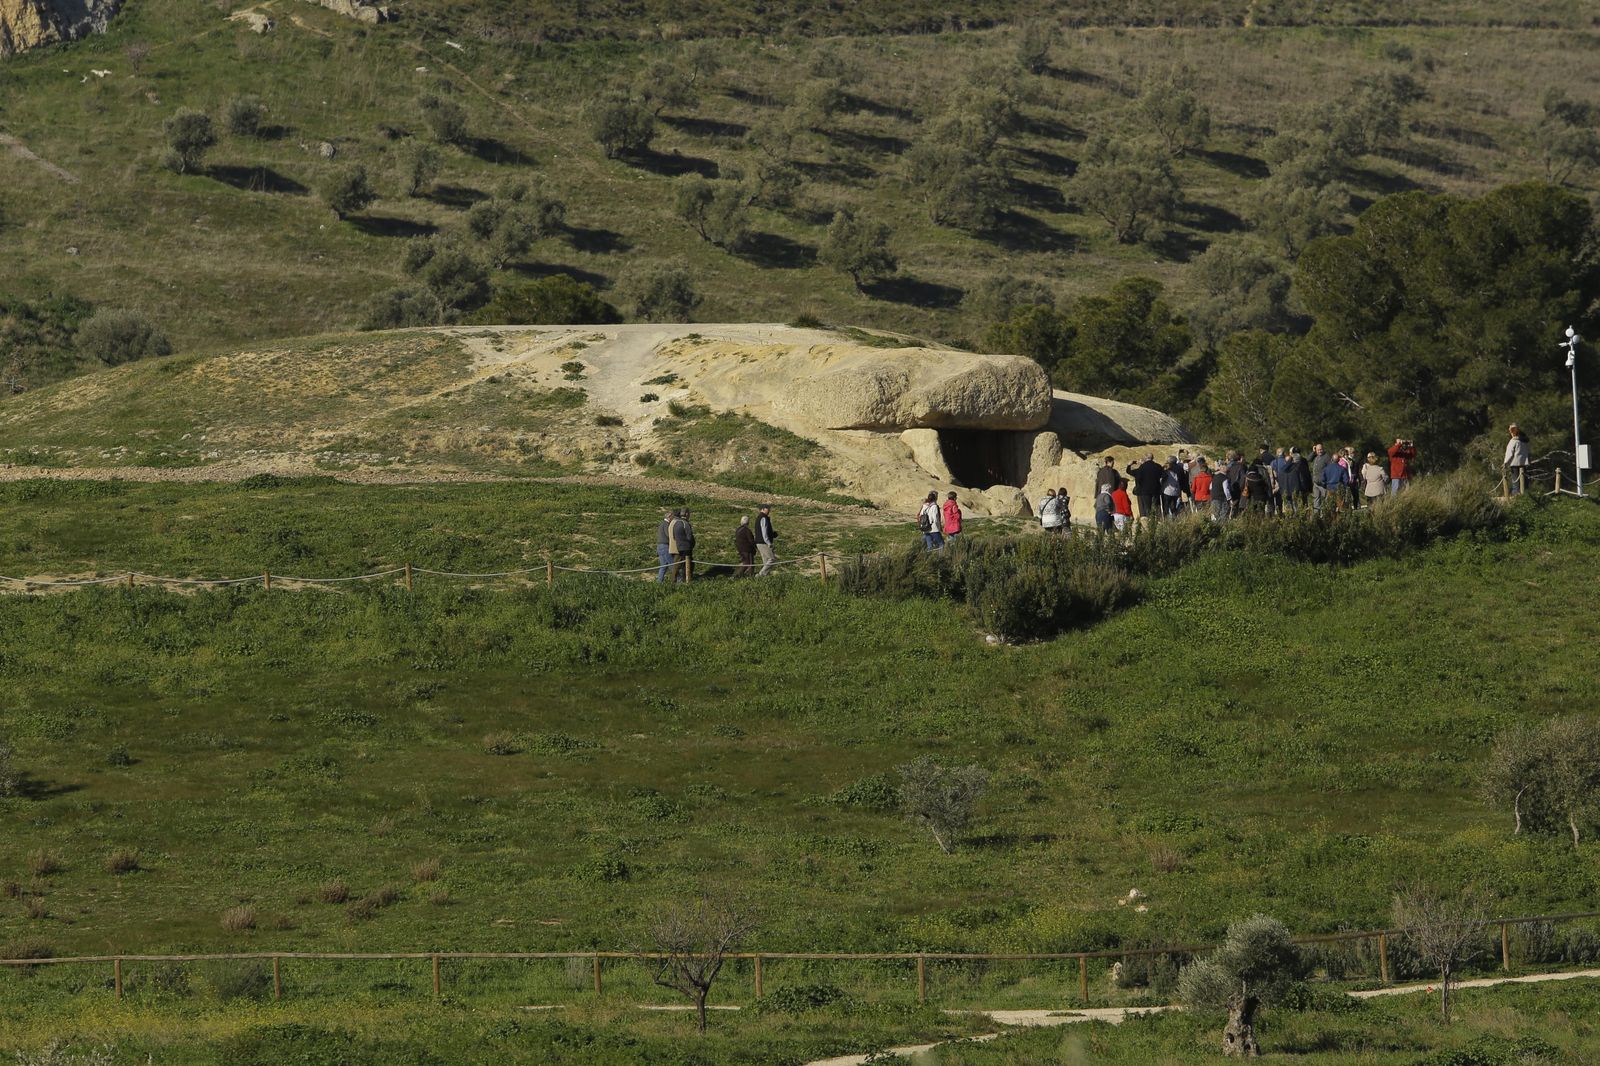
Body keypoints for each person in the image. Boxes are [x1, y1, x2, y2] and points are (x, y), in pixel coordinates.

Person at [1133, 455, 1164, 521]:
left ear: (1146, 458)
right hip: (1156, 489)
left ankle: (1149, 522)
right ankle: (1158, 520)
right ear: (1153, 458)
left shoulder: (1142, 467)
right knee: (1156, 506)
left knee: (1147, 507)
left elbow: (1138, 478)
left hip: (1145, 490)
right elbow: (1164, 475)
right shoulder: (1157, 466)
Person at [1504, 423, 1531, 495]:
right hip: (1524, 463)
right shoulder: (1524, 441)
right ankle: (1526, 494)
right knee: (1524, 481)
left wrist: (1505, 463)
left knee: (1516, 481)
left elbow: (1510, 454)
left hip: (1514, 463)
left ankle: (1516, 495)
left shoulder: (1513, 441)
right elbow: (1528, 451)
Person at [655, 508, 678, 583]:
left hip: (660, 546)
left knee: (663, 566)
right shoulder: (666, 524)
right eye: (672, 517)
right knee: (672, 565)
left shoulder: (661, 524)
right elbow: (668, 535)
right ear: (669, 516)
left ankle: (659, 582)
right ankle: (679, 581)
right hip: (664, 546)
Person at [754, 503, 777, 576]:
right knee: (772, 559)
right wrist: (768, 542)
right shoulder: (763, 518)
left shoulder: (759, 517)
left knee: (766, 561)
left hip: (759, 542)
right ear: (763, 509)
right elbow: (764, 532)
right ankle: (761, 575)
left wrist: (772, 535)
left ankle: (765, 577)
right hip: (763, 542)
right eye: (768, 509)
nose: (769, 510)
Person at [1310, 443, 1330, 512]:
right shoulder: (1316, 456)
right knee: (1316, 499)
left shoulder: (1326, 457)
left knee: (1325, 499)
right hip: (1315, 482)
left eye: (1321, 449)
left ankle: (1325, 513)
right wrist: (1313, 452)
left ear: (1323, 449)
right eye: (1318, 450)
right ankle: (1316, 515)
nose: (1319, 451)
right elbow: (1309, 459)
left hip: (1323, 483)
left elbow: (1329, 469)